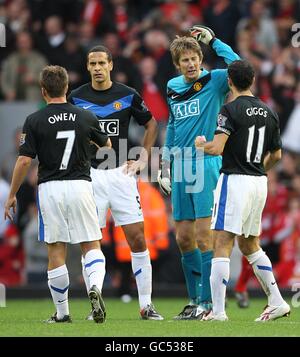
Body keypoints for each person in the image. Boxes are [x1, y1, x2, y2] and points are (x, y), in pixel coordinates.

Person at [4, 65, 111, 324]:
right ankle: (94, 286)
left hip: (50, 188)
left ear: (43, 91)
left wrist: (12, 194)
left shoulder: (34, 120)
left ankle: (62, 313)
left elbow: (24, 162)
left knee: (56, 250)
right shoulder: (85, 116)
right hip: (81, 185)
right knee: (91, 244)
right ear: (67, 88)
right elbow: (106, 145)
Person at [68, 45, 163, 320]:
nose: (97, 68)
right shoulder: (76, 97)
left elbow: (151, 124)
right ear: (87, 67)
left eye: (101, 63)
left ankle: (146, 305)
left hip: (121, 174)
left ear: (110, 64)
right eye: (92, 63)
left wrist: (143, 157)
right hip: (91, 177)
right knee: (91, 241)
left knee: (136, 238)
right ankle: (94, 302)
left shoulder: (127, 94)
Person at [195, 59, 291, 321]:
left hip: (235, 180)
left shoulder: (229, 109)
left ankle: (217, 311)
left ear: (229, 82)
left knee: (222, 242)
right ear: (252, 80)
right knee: (249, 243)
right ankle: (277, 300)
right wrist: (259, 167)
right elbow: (277, 155)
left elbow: (217, 148)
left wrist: (201, 144)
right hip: (259, 182)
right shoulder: (269, 111)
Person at [158, 25, 240, 320]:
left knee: (205, 236)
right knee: (182, 237)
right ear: (177, 65)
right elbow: (173, 125)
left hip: (205, 164)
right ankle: (194, 300)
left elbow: (241, 69)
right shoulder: (172, 86)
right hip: (179, 166)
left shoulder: (216, 80)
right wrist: (163, 165)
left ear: (200, 58)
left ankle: (209, 302)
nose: (191, 64)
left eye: (194, 58)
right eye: (185, 61)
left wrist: (216, 41)